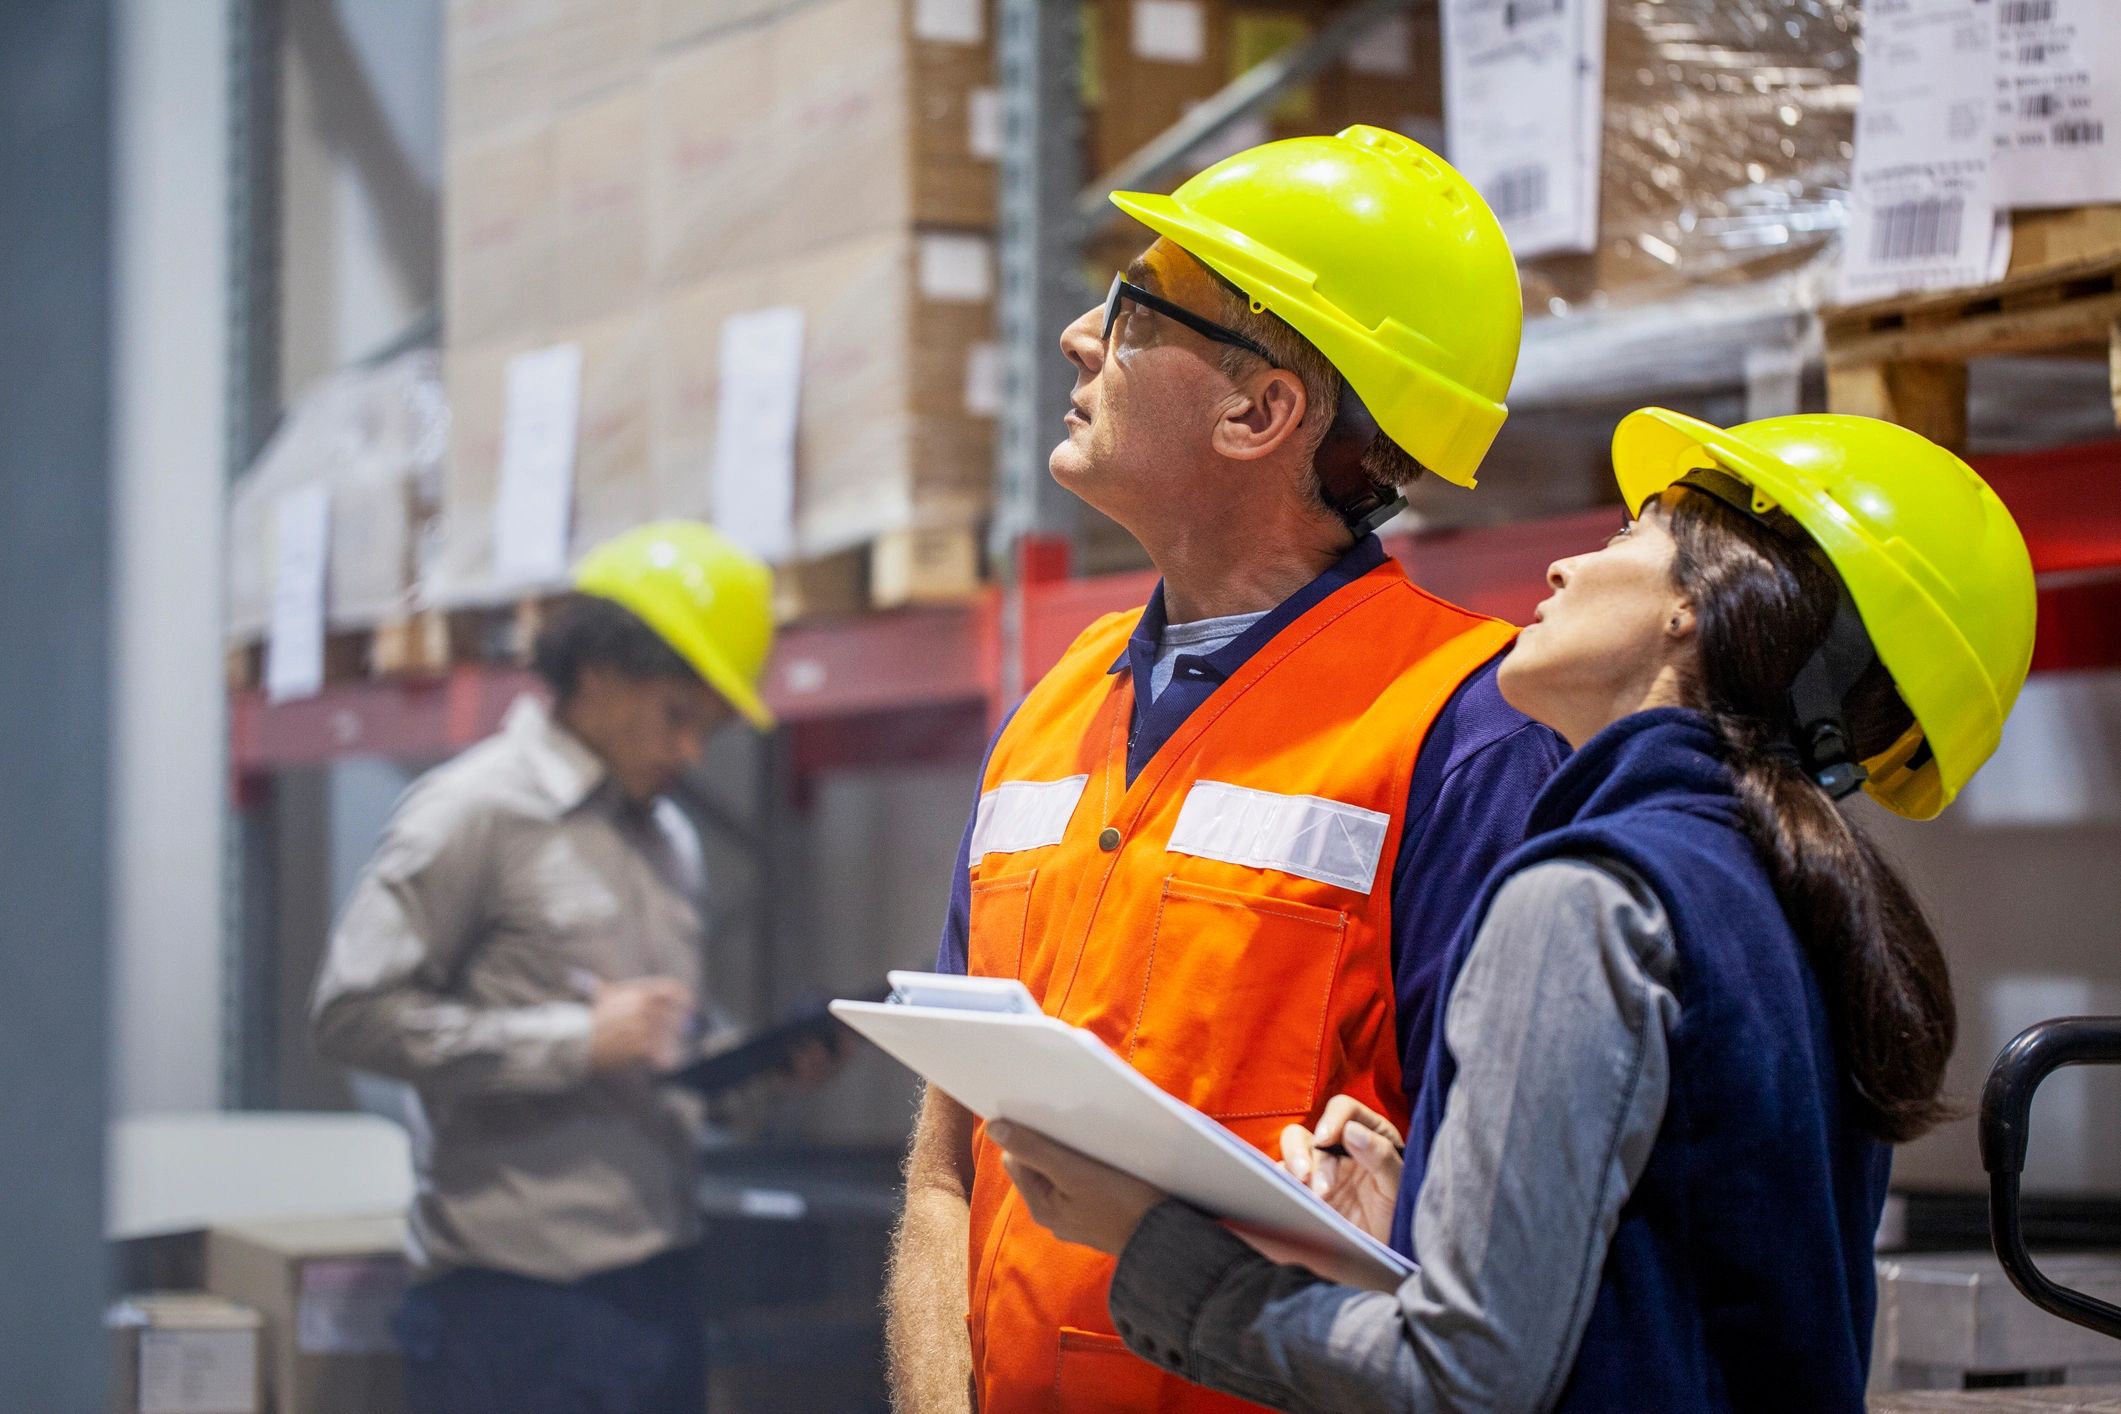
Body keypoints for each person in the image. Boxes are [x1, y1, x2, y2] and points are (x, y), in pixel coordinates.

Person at [989, 411, 2039, 1412]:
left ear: (1700, 604)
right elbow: (1683, 1285)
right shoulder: (1780, 897)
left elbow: (1460, 1381)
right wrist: (1424, 1219)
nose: (1565, 565)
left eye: (1631, 531)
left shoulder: (1588, 898)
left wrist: (1154, 1248)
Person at [886, 126, 1565, 1413]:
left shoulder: (1469, 736)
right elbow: (945, 1159)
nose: (1081, 338)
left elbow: (1491, 1240)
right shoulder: (1052, 710)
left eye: (1136, 312)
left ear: (1262, 412)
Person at [311, 522, 807, 1414]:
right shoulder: (470, 815)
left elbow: (654, 1045)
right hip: (506, 1312)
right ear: (599, 672)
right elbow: (351, 1013)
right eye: (678, 715)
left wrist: (746, 1067)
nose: (691, 752)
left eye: (710, 727)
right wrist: (572, 1042)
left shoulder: (668, 839)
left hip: (658, 1292)